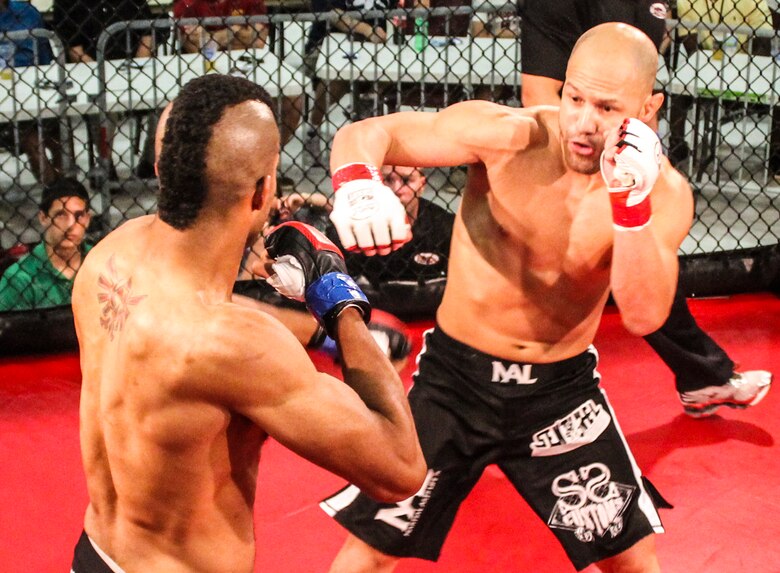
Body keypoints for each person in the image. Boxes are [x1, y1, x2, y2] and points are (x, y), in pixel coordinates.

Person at [321, 23, 690, 572]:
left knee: (632, 562)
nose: (584, 124)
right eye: (574, 98)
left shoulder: (662, 193)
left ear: (650, 108)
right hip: (454, 382)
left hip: (560, 396)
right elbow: (371, 131)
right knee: (371, 551)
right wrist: (356, 182)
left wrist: (629, 205)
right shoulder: (509, 136)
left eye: (608, 108)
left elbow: (643, 314)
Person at [69, 74, 425, 572]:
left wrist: (312, 333)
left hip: (97, 555)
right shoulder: (236, 347)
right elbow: (401, 470)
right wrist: (338, 303)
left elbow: (202, 315)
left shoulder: (109, 257)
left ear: (162, 169)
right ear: (261, 193)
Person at [520, 0, 773, 418]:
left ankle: (703, 376)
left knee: (641, 257)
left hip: (606, 150)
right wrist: (586, 160)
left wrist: (646, 167)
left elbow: (634, 102)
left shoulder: (649, 3)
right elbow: (539, 94)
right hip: (560, 155)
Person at [173, 0, 303, 175]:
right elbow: (195, 46)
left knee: (293, 100)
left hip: (249, 68)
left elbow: (258, 42)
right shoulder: (187, 3)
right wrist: (235, 30)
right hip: (201, 73)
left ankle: (265, 162)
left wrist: (212, 37)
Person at [52, 0, 155, 181]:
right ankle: (105, 163)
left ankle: (150, 160)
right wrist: (100, 70)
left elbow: (147, 36)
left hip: (133, 68)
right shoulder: (67, 3)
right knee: (102, 107)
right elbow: (74, 50)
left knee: (164, 104)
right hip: (91, 72)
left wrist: (137, 66)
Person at [302, 0, 392, 167]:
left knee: (391, 71)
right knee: (338, 79)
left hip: (374, 47)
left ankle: (364, 103)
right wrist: (366, 30)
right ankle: (313, 129)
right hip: (325, 44)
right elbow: (334, 15)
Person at [0, 177, 92, 311]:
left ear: (87, 220)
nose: (71, 224)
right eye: (61, 215)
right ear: (43, 218)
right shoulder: (19, 278)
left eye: (79, 216)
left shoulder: (101, 262)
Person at [0, 0, 61, 185]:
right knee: (31, 137)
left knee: (62, 134)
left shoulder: (27, 12)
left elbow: (44, 61)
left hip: (32, 89)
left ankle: (62, 188)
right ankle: (53, 189)